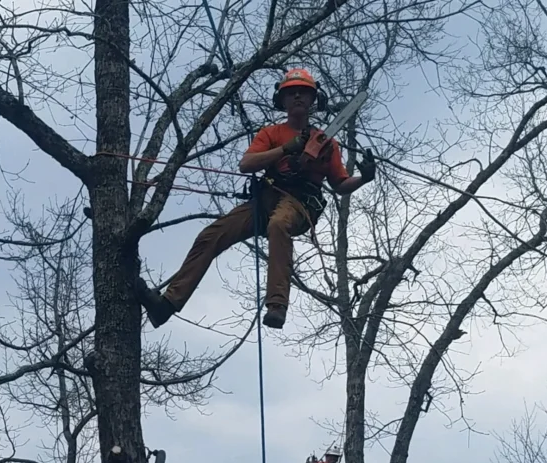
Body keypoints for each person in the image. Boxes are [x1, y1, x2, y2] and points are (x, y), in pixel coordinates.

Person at [137, 67, 376, 330]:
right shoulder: (271, 134)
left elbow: (340, 183)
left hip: (300, 203)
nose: (297, 97)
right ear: (282, 100)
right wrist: (286, 149)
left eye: (303, 93)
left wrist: (363, 178)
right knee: (211, 235)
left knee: (279, 224)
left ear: (312, 99)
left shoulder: (326, 143)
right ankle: (166, 305)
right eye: (291, 93)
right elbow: (247, 164)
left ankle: (277, 305)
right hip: (265, 198)